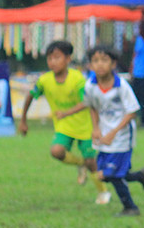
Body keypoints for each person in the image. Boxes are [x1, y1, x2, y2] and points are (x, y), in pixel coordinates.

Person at [63, 45, 144, 217]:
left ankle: (131, 207)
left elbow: (132, 112)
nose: (100, 65)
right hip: (104, 137)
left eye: (104, 60)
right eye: (95, 61)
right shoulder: (91, 85)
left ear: (113, 64)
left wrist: (114, 132)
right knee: (109, 175)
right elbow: (92, 107)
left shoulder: (122, 86)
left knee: (110, 174)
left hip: (121, 137)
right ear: (90, 65)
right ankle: (141, 176)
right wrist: (96, 128)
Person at [18, 40, 110, 205]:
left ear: (68, 59)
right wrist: (23, 121)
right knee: (56, 151)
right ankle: (81, 164)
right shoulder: (44, 80)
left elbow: (87, 102)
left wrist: (69, 114)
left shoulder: (78, 79)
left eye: (57, 58)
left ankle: (103, 192)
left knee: (92, 162)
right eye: (50, 58)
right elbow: (30, 96)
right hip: (64, 127)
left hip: (85, 126)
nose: (52, 62)